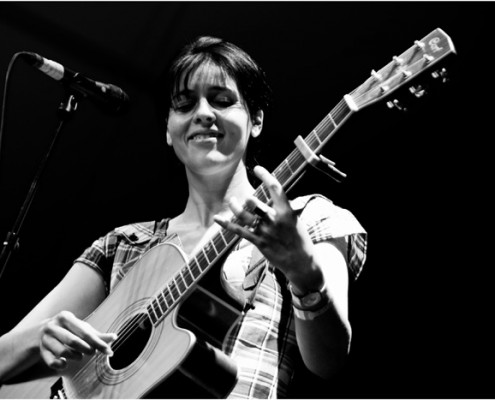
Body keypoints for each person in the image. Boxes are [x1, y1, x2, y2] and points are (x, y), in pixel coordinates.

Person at [0, 36, 367, 398]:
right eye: (185, 104)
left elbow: (328, 362)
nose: (203, 113)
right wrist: (40, 336)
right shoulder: (125, 244)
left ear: (256, 120)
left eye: (222, 101)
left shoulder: (308, 219)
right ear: (167, 129)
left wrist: (303, 272)